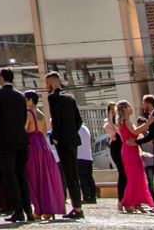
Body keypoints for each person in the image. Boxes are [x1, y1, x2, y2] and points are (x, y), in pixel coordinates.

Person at [0, 69, 33, 223]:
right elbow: (23, 118)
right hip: (21, 140)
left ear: (1, 78)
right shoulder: (20, 95)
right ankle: (29, 211)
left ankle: (18, 210)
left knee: (10, 176)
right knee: (22, 175)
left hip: (4, 141)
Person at [45, 72, 86, 220]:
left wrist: (55, 136)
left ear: (51, 82)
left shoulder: (53, 98)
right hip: (73, 139)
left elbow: (56, 119)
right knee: (73, 173)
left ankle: (77, 208)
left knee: (68, 174)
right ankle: (78, 206)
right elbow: (78, 120)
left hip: (62, 140)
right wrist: (71, 132)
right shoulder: (70, 97)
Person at [25, 90, 67, 220]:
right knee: (45, 178)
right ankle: (48, 209)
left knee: (33, 178)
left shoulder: (28, 113)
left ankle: (38, 210)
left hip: (32, 145)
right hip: (43, 146)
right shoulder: (42, 114)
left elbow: (24, 130)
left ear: (30, 101)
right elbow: (43, 132)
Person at [116, 101, 154, 213]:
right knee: (134, 177)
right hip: (129, 151)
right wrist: (148, 123)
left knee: (138, 176)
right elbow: (135, 131)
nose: (131, 108)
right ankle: (127, 202)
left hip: (131, 150)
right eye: (129, 106)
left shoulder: (125, 121)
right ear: (124, 109)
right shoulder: (126, 121)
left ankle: (136, 203)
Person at [106, 103, 129, 206]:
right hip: (116, 148)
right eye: (111, 110)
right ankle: (121, 200)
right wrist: (110, 118)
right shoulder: (108, 123)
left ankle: (127, 199)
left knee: (127, 173)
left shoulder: (121, 120)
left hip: (124, 147)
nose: (114, 111)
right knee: (122, 172)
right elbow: (113, 133)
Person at [77, 121, 99, 206]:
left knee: (83, 179)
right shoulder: (85, 129)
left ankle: (87, 197)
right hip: (88, 156)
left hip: (79, 156)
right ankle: (93, 197)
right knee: (89, 178)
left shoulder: (77, 128)